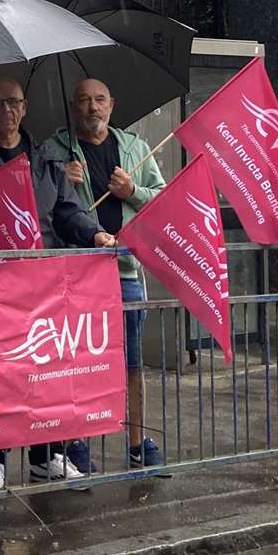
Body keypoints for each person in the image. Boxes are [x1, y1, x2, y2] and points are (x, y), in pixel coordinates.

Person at [0, 77, 115, 489]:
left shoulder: (46, 157)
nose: (8, 111)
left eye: (15, 103)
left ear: (25, 108)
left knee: (40, 370)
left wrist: (94, 233)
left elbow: (65, 212)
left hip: (38, 282)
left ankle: (44, 453)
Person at [43, 78, 167, 469]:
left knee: (130, 362)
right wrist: (62, 179)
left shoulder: (136, 148)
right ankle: (74, 440)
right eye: (84, 101)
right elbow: (40, 205)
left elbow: (164, 201)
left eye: (99, 100)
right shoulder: (54, 149)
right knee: (75, 359)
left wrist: (133, 192)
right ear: (73, 106)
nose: (92, 108)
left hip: (126, 270)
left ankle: (136, 440)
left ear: (112, 104)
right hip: (76, 272)